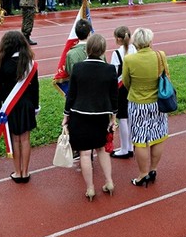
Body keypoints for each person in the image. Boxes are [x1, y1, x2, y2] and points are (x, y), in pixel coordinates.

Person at [63, 34, 118, 201]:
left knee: (85, 154)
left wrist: (66, 115)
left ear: (87, 49)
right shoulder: (110, 69)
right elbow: (113, 96)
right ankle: (109, 182)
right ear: (103, 50)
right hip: (101, 116)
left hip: (80, 115)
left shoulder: (78, 68)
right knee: (102, 149)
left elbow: (71, 95)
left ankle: (90, 188)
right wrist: (113, 117)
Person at [122, 27, 168, 187]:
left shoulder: (129, 60)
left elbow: (126, 82)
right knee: (158, 135)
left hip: (138, 103)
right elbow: (166, 76)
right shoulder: (160, 56)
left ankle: (143, 174)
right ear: (150, 41)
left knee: (140, 139)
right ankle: (153, 169)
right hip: (158, 103)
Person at [0, 31, 40, 183]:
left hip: (9, 106)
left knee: (15, 139)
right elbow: (35, 88)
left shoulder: (1, 63)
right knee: (25, 139)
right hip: (26, 106)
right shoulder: (29, 63)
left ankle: (18, 172)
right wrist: (35, 106)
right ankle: (26, 172)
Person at [110, 26, 137, 158]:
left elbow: (114, 75)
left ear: (119, 39)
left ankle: (125, 149)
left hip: (121, 89)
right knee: (131, 116)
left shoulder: (117, 53)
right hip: (134, 86)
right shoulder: (135, 49)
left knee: (122, 119)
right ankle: (130, 146)